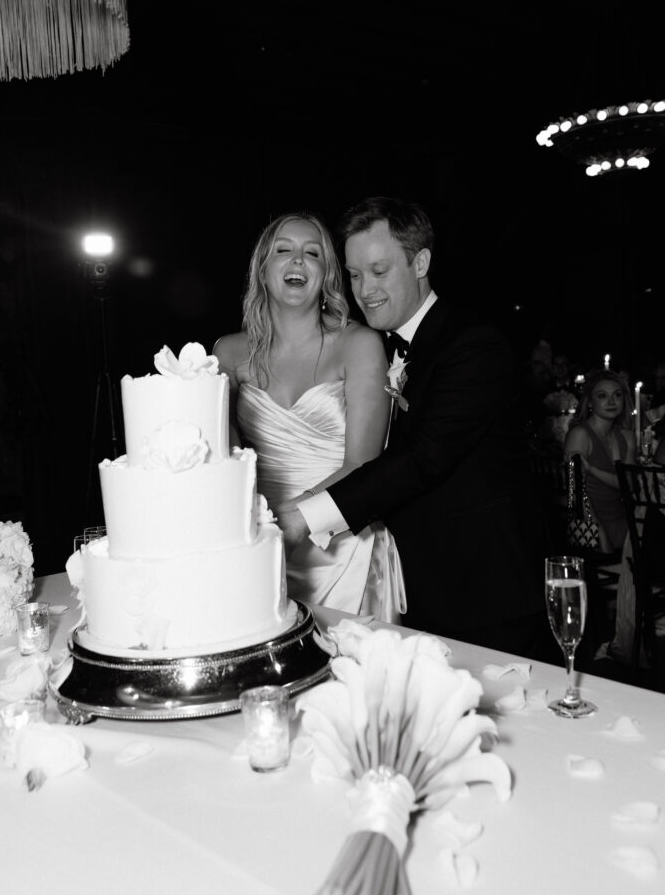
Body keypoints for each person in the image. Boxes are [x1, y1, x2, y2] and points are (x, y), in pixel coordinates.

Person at [276, 196, 553, 658]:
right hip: (425, 587)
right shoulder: (388, 349)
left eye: (379, 271)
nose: (365, 290)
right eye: (356, 274)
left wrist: (305, 517)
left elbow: (423, 458)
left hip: (489, 591)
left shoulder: (472, 344)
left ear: (420, 261)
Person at [213, 212, 406, 621]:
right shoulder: (227, 354)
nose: (298, 260)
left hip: (343, 549)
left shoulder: (359, 343)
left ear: (327, 274)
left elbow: (363, 464)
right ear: (263, 272)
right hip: (259, 547)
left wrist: (293, 519)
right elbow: (222, 466)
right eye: (284, 250)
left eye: (312, 253)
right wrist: (257, 533)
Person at [563, 368, 636, 556]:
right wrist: (600, 535)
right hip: (586, 522)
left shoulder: (626, 437)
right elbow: (576, 495)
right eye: (602, 396)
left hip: (620, 520)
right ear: (590, 402)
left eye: (617, 395)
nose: (611, 402)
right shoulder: (580, 435)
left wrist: (593, 470)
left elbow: (628, 486)